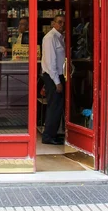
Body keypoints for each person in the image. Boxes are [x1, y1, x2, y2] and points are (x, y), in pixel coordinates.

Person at [40, 14, 66, 145]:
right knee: (53, 106)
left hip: (58, 75)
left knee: (58, 106)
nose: (62, 25)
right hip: (52, 76)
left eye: (63, 23)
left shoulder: (59, 38)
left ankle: (53, 134)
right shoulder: (50, 38)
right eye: (59, 22)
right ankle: (48, 136)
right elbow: (51, 62)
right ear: (53, 23)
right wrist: (57, 82)